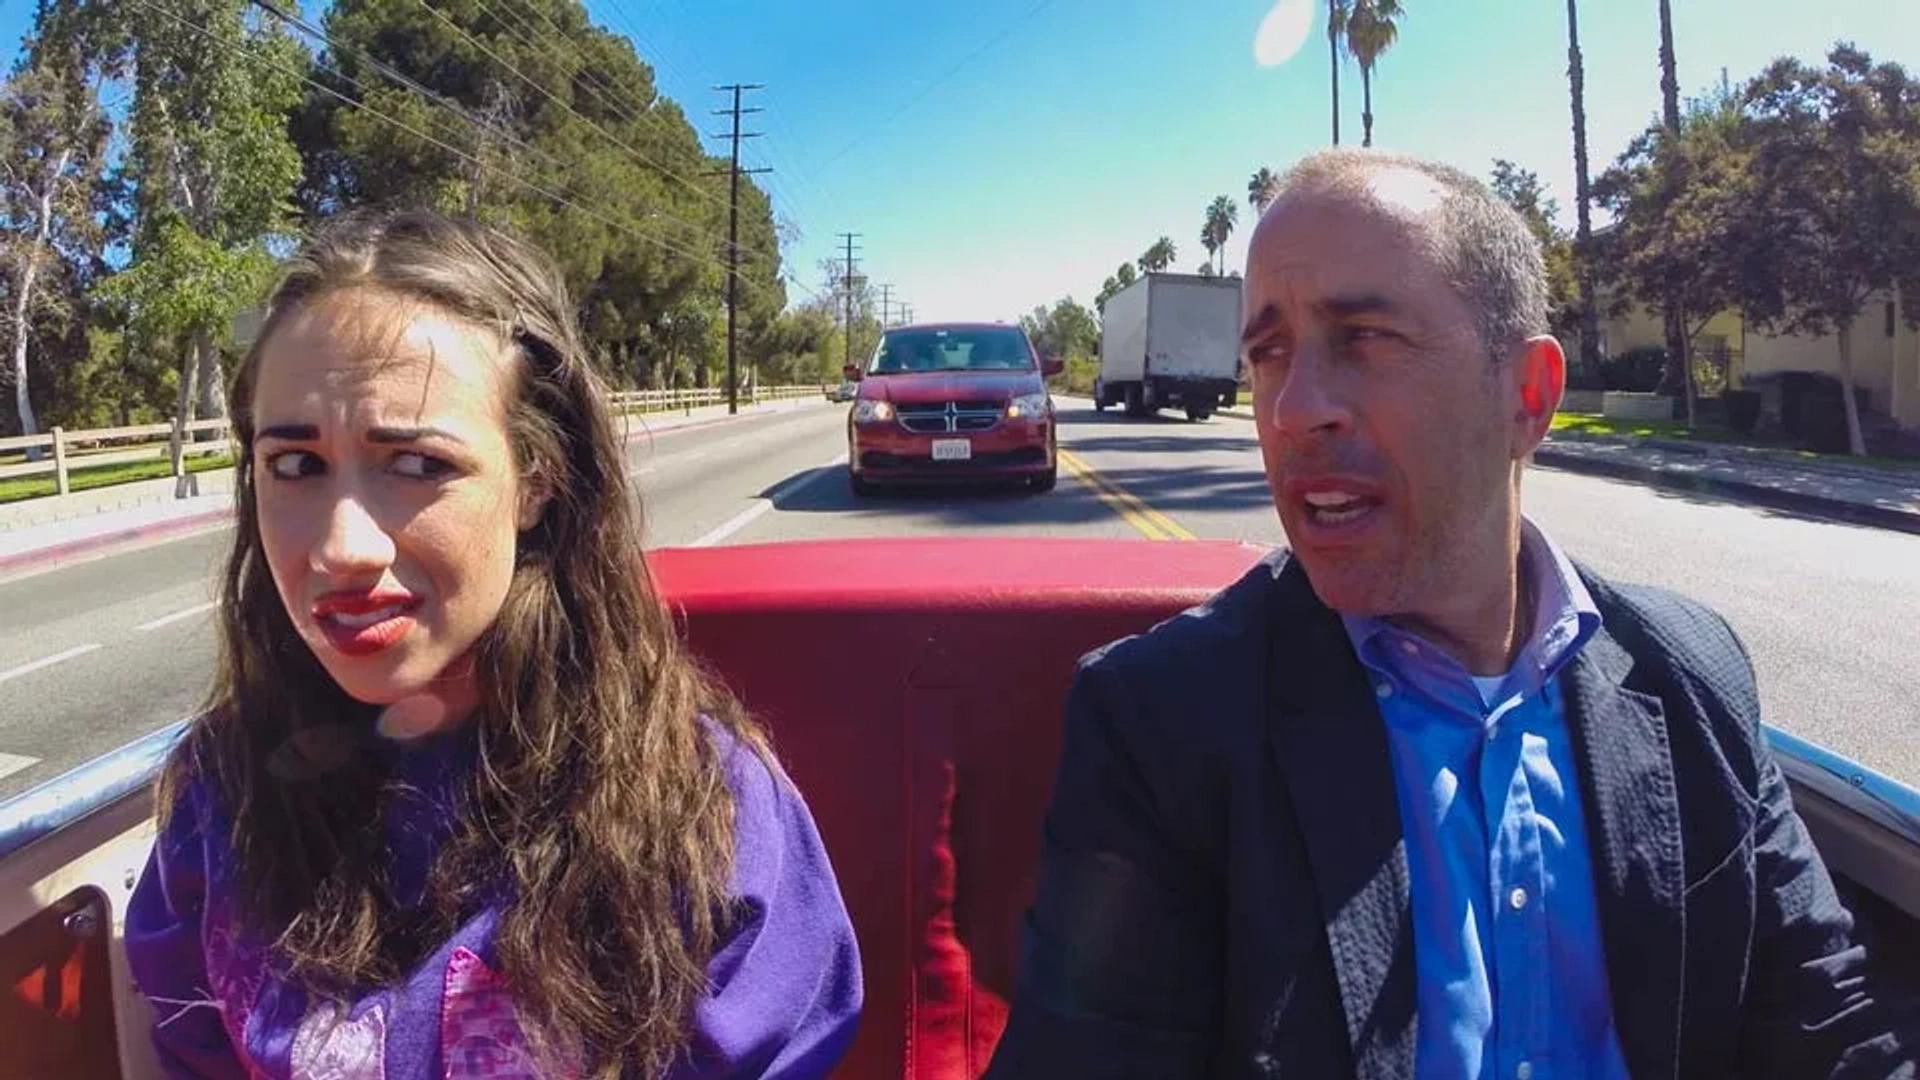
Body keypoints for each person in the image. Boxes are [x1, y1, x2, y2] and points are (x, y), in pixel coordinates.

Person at [986, 148, 1919, 1079]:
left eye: (1363, 339)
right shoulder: (1164, 725)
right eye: (1268, 354)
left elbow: (1830, 1035)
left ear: (1527, 397)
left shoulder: (1691, 677)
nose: (1292, 409)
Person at [124, 209, 863, 1080]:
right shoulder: (220, 802)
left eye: (417, 465)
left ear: (537, 480)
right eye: (295, 465)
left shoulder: (704, 813)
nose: (339, 548)